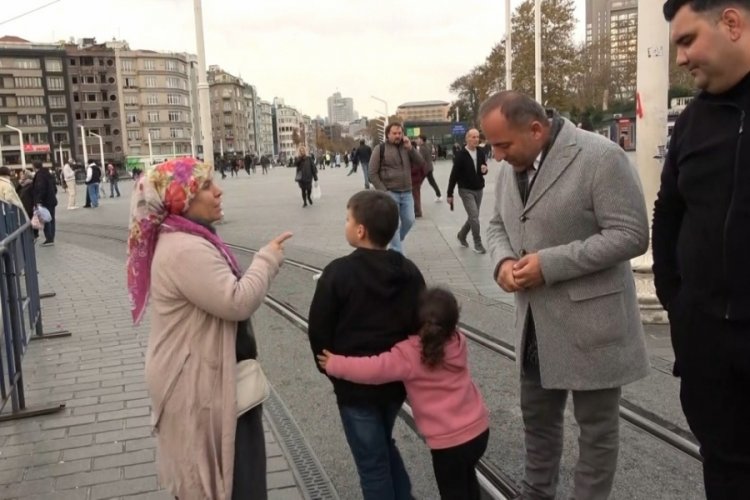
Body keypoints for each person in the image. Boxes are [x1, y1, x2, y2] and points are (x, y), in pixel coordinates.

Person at [481, 91, 650, 500]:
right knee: (537, 424)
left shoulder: (601, 157)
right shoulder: (508, 166)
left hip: (594, 326)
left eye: (503, 145)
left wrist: (550, 264)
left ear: (536, 129)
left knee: (596, 432)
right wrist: (503, 262)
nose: (497, 156)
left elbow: (632, 235)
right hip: (535, 327)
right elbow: (496, 224)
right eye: (492, 146)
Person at [127, 157, 292, 499]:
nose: (218, 192)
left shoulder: (188, 236)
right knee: (225, 482)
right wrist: (267, 258)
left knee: (227, 476)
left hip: (206, 377)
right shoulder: (185, 248)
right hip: (195, 383)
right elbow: (236, 301)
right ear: (179, 197)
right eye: (205, 186)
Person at [653, 1, 750, 497]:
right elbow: (667, 212)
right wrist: (678, 303)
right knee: (724, 467)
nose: (682, 59)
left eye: (687, 41)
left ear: (731, 23)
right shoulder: (692, 121)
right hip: (707, 341)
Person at [318, 287, 489, 500]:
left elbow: (373, 369)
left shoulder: (409, 354)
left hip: (448, 443)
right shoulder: (457, 341)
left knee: (453, 491)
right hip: (479, 432)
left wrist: (336, 364)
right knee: (467, 480)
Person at [308, 190, 425, 500]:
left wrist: (333, 370)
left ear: (360, 230)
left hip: (354, 387)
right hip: (394, 383)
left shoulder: (337, 273)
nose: (345, 224)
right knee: (383, 443)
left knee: (371, 463)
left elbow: (318, 329)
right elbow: (420, 322)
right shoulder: (407, 270)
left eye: (347, 219)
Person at [368, 123, 424, 254]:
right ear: (388, 134)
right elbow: (372, 173)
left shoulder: (407, 147)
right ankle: (397, 253)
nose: (398, 136)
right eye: (394, 133)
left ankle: (396, 241)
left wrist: (410, 148)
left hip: (407, 192)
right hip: (390, 192)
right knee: (395, 224)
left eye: (400, 133)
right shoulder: (380, 149)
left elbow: (421, 162)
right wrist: (383, 191)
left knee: (410, 220)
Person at [447, 129, 489, 254]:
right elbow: (453, 175)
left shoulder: (481, 152)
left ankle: (461, 235)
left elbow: (484, 169)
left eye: (477, 137)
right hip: (465, 190)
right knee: (475, 217)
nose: (476, 139)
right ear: (467, 139)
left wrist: (485, 170)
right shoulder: (460, 155)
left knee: (473, 217)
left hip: (479, 189)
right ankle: (477, 243)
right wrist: (450, 194)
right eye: (473, 137)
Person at [32, 161, 58, 247]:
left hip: (45, 201)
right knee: (51, 219)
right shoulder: (48, 174)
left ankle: (49, 238)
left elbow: (41, 188)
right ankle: (51, 237)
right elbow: (54, 187)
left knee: (46, 219)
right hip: (51, 200)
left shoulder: (40, 176)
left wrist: (39, 200)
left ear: (34, 167)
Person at [417, 135, 441, 202]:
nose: (417, 140)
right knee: (432, 182)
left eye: (418, 139)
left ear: (421, 140)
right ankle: (439, 195)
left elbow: (420, 159)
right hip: (429, 167)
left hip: (425, 169)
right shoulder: (427, 146)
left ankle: (414, 197)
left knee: (417, 183)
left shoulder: (422, 148)